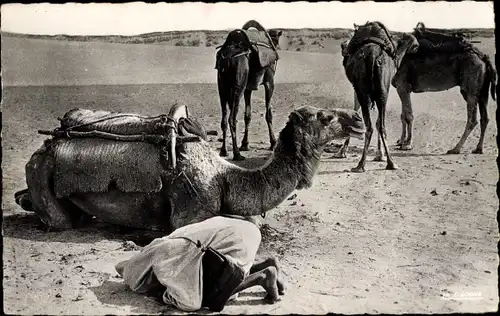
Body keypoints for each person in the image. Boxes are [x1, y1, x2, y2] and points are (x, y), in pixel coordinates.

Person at [115, 215, 262, 312]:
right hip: (182, 250)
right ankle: (265, 271)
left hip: (177, 249)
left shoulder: (221, 221)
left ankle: (262, 277)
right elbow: (236, 268)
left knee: (190, 302)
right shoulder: (244, 230)